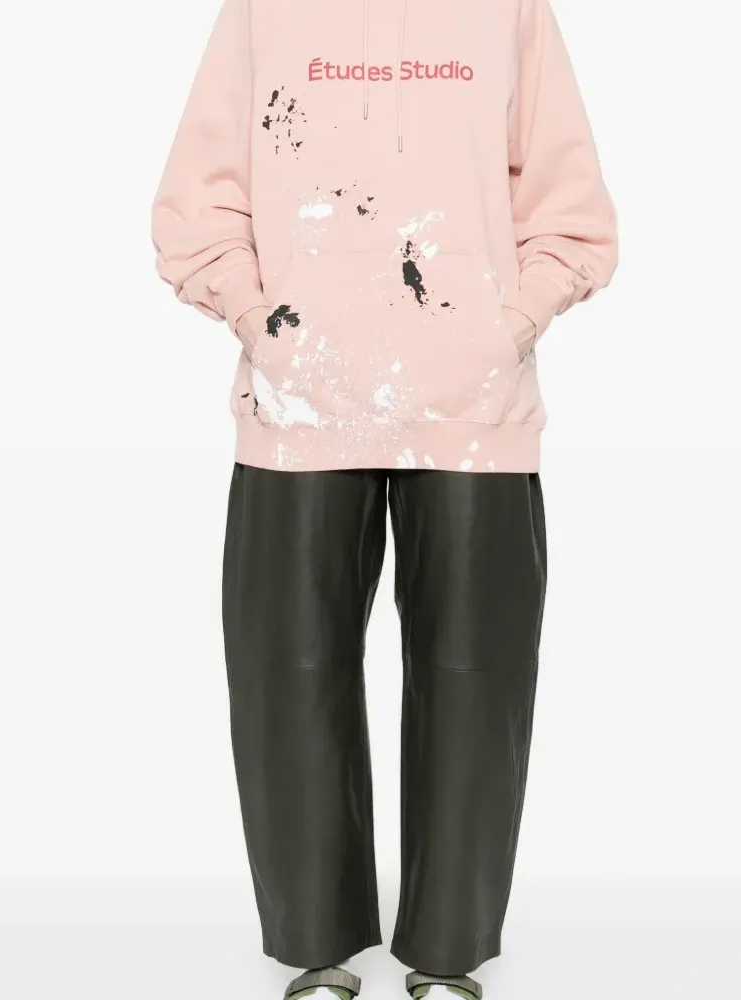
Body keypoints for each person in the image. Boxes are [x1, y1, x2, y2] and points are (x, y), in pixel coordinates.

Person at [152, 0, 616, 996]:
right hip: (298, 400)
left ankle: (447, 953)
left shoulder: (508, 8)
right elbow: (199, 197)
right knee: (287, 669)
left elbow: (569, 203)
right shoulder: (263, 9)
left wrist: (508, 325)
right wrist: (259, 321)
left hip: (475, 406)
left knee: (474, 675)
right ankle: (318, 946)